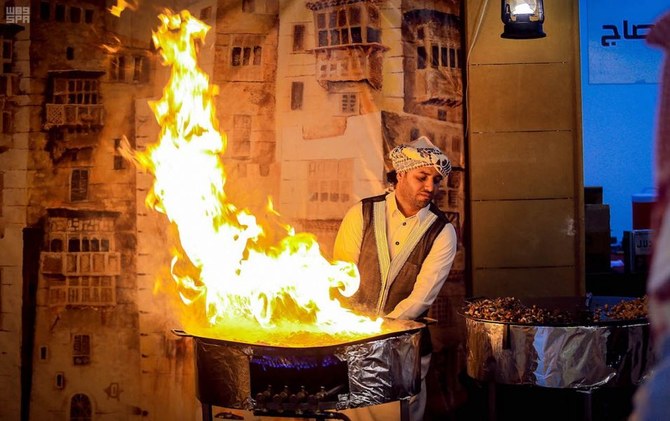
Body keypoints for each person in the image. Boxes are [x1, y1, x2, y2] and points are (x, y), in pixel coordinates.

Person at [333, 135, 458, 420]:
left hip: (404, 352)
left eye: (436, 180)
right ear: (400, 174)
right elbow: (342, 275)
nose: (430, 187)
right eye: (422, 177)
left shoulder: (442, 232)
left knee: (398, 414)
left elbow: (421, 298)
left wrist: (377, 334)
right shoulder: (361, 213)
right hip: (352, 346)